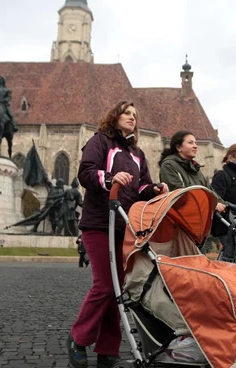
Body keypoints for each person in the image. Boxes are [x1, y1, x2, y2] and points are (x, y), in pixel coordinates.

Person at [67, 101, 168, 368]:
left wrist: (155, 190)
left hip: (124, 225)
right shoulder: (100, 141)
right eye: (127, 113)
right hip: (99, 222)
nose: (132, 118)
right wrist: (111, 178)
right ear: (115, 116)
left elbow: (141, 185)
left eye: (135, 115)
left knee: (118, 289)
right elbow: (86, 173)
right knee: (105, 284)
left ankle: (107, 349)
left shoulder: (137, 153)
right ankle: (78, 338)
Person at [158, 131, 226, 214]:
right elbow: (178, 196)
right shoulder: (169, 166)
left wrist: (229, 206)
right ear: (179, 147)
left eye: (195, 143)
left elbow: (211, 193)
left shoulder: (195, 168)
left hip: (201, 218)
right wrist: (211, 204)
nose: (195, 146)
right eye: (190, 143)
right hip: (182, 220)